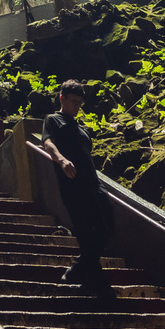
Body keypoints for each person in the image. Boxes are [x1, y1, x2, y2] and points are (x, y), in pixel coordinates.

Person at [39, 81, 115, 294]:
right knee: (85, 230)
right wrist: (62, 160)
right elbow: (48, 143)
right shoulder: (53, 120)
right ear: (61, 98)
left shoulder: (82, 129)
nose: (77, 106)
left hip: (93, 183)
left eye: (80, 103)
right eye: (73, 101)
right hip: (72, 184)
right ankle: (94, 279)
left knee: (107, 226)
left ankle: (78, 269)